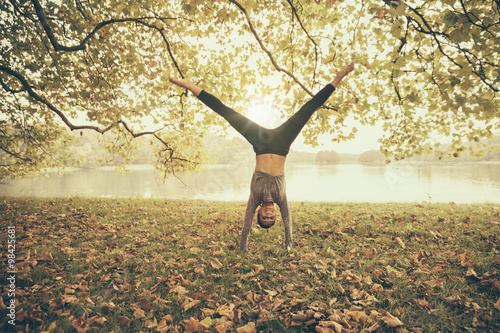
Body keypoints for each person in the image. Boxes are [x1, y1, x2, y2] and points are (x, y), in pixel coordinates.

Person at [169, 62, 354, 251]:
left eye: (264, 218)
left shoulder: (254, 199)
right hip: (282, 143)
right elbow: (288, 219)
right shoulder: (281, 199)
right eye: (272, 218)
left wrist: (243, 247)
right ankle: (340, 76)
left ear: (258, 213)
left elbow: (246, 225)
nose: (269, 215)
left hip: (261, 143)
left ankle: (190, 86)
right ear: (275, 214)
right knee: (309, 108)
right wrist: (288, 245)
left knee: (227, 113)